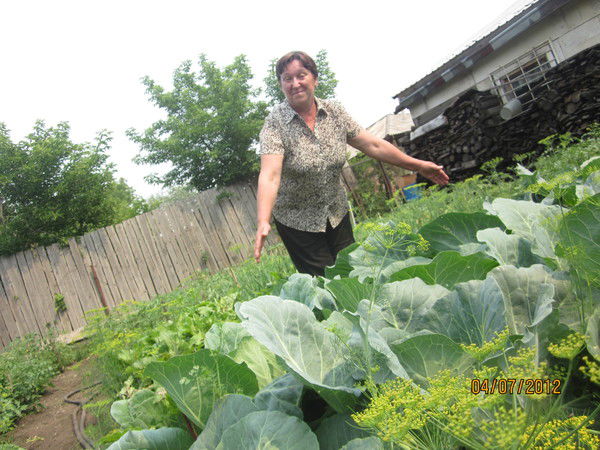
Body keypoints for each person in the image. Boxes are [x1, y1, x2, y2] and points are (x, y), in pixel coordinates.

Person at [254, 51, 449, 276]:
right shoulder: (274, 124)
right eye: (287, 78)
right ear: (281, 84)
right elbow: (270, 174)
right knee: (324, 282)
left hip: (335, 211)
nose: (295, 83)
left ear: (315, 79)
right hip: (297, 220)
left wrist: (418, 165)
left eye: (301, 75)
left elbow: (373, 145)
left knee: (350, 272)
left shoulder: (335, 112)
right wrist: (263, 220)